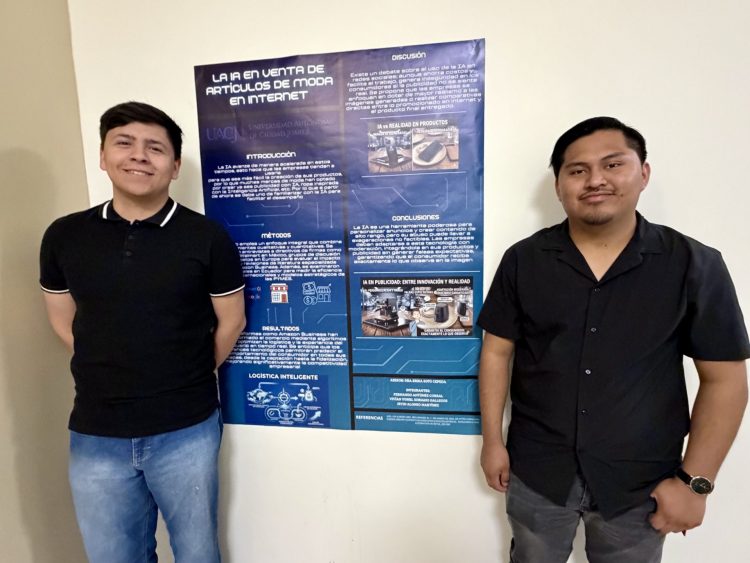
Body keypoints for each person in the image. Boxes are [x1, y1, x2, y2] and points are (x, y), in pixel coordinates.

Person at [477, 116, 749, 563]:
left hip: (641, 485)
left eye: (612, 164)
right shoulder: (524, 260)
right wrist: (492, 441)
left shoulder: (693, 263)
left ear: (643, 173)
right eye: (577, 170)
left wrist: (695, 484)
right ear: (559, 185)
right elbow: (497, 351)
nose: (595, 180)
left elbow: (725, 380)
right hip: (538, 473)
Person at [40, 101, 246, 563]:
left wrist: (183, 371)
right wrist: (110, 362)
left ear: (174, 166)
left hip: (186, 428)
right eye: (124, 143)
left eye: (155, 148)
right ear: (103, 156)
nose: (139, 156)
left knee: (197, 553)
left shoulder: (206, 238)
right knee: (113, 556)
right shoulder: (64, 236)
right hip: (96, 431)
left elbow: (232, 320)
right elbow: (62, 318)